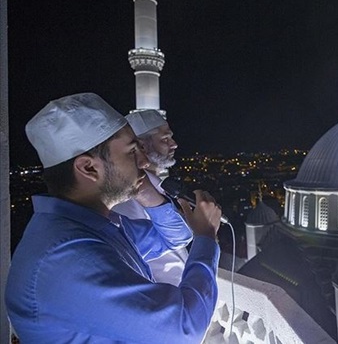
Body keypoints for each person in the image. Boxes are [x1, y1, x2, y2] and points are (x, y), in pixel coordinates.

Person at [5, 93, 221, 343]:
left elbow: (175, 236)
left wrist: (149, 194)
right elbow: (184, 330)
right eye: (132, 152)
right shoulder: (67, 255)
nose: (144, 161)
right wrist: (206, 239)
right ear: (89, 168)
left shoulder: (93, 228)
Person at [113, 109, 189, 286]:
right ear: (142, 146)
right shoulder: (127, 196)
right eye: (165, 139)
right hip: (159, 296)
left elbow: (178, 237)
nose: (174, 144)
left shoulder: (155, 187)